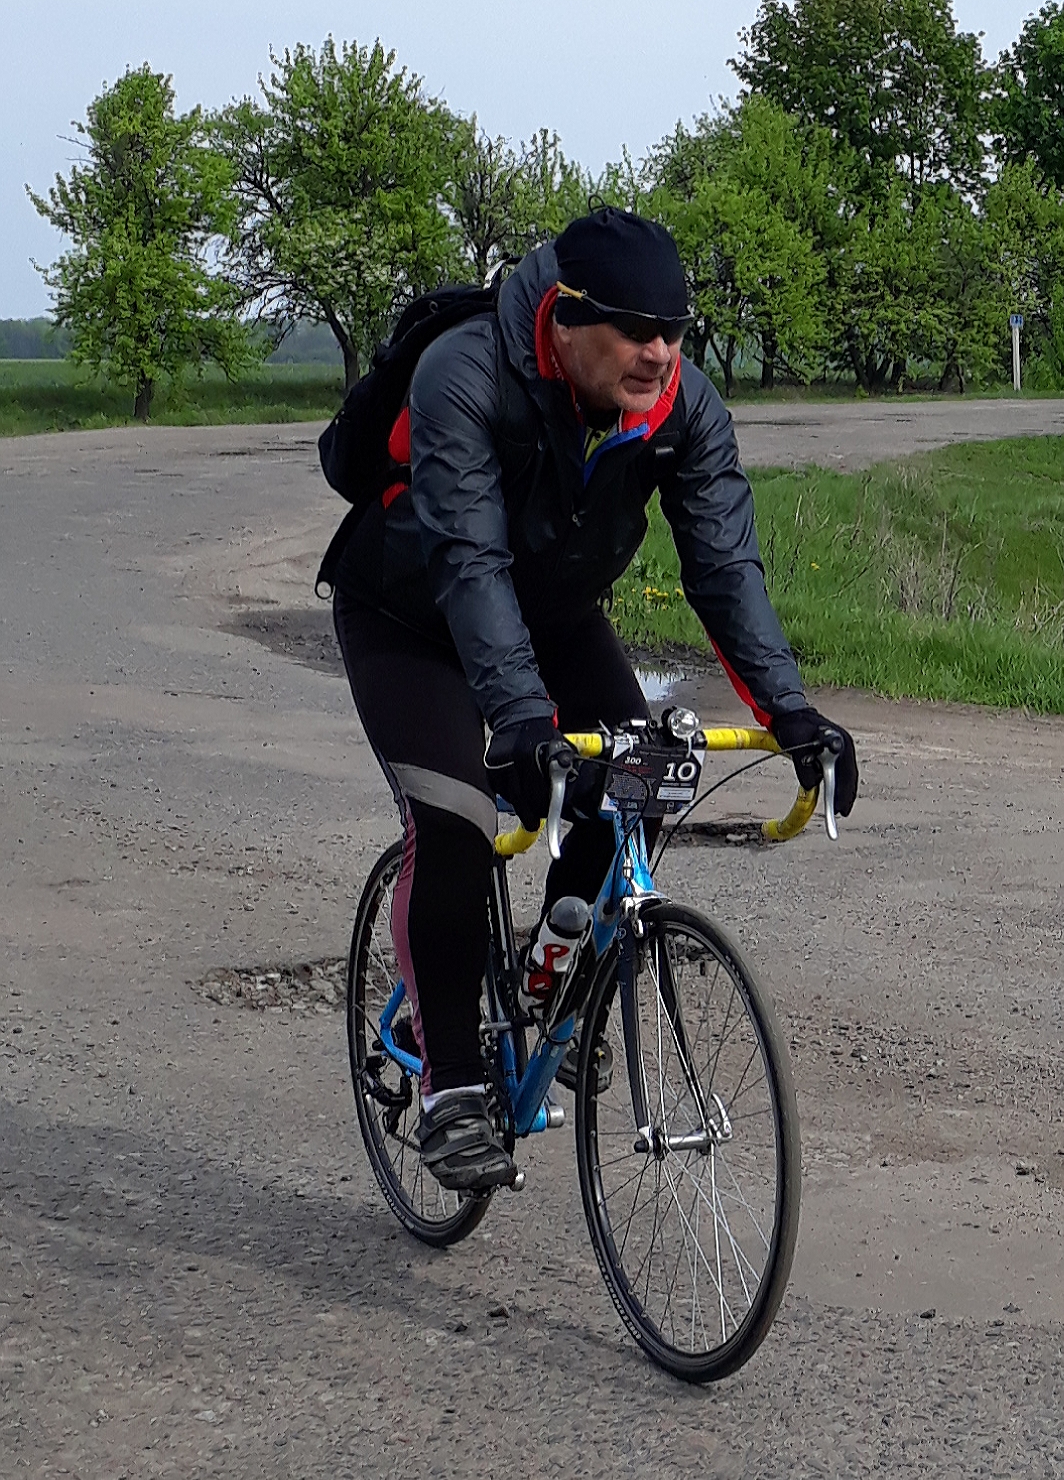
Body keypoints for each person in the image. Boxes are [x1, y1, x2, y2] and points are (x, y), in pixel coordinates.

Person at [331, 207, 858, 1192]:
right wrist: (522, 721)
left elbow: (724, 566)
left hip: (552, 616)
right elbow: (470, 564)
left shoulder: (680, 404)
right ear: (566, 321)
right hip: (410, 618)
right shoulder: (464, 373)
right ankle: (450, 1085)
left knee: (644, 782)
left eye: (675, 330)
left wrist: (791, 711)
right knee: (454, 823)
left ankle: (554, 977)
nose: (660, 351)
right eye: (636, 329)